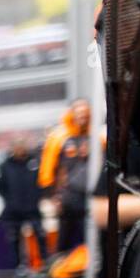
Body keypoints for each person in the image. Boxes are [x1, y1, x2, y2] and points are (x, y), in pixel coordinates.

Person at [38, 98, 92, 252]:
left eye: (85, 112)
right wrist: (51, 195)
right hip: (65, 198)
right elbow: (48, 168)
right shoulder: (59, 137)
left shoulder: (95, 136)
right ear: (72, 113)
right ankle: (58, 270)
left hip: (89, 197)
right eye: (79, 111)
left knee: (90, 238)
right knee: (62, 240)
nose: (82, 115)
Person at [0, 136, 45, 273]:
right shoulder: (5, 165)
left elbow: (41, 183)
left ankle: (43, 265)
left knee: (40, 235)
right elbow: (0, 187)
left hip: (32, 208)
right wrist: (11, 201)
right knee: (14, 239)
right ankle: (18, 267)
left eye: (22, 145)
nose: (20, 149)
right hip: (13, 210)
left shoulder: (35, 162)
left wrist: (37, 198)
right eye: (17, 146)